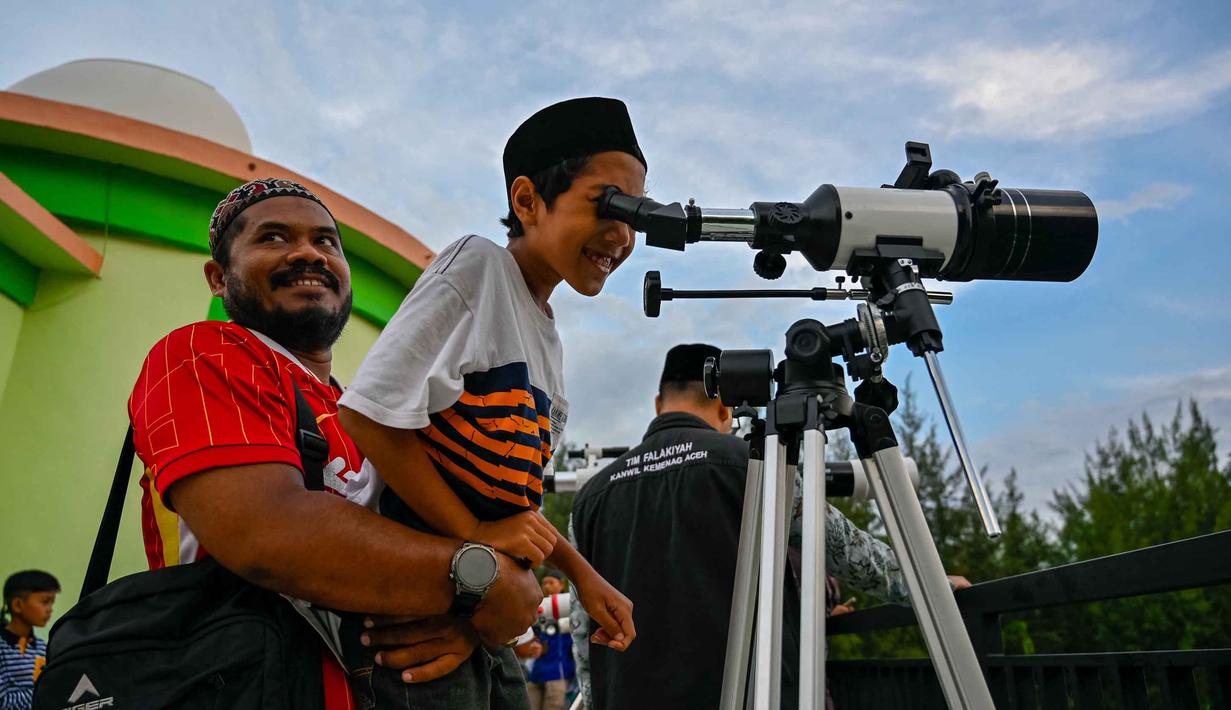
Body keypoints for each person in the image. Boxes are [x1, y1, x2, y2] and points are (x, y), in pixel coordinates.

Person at [126, 178, 543, 709]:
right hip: (258, 686)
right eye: (273, 238)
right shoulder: (201, 352)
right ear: (217, 276)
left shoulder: (367, 417)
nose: (307, 253)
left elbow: (410, 555)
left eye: (326, 242)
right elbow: (266, 533)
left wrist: (463, 626)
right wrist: (480, 580)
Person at [337, 96, 645, 708]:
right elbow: (368, 414)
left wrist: (584, 576)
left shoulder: (548, 342)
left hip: (476, 619)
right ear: (527, 201)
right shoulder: (478, 268)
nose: (623, 233)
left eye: (635, 215)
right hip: (411, 623)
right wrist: (475, 535)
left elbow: (515, 509)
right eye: (606, 203)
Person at [571, 344, 968, 710]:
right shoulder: (749, 465)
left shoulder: (591, 496)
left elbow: (581, 626)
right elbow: (844, 548)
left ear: (659, 403)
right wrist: (931, 585)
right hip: (748, 695)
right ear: (726, 408)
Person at [0, 571, 58, 710]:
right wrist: (44, 693)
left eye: (52, 603)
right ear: (17, 605)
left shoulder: (43, 648)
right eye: (44, 602)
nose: (50, 609)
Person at [526, 571, 575, 710]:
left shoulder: (570, 607)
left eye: (551, 582)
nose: (547, 586)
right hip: (536, 673)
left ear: (561, 585)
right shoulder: (539, 609)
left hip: (558, 674)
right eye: (544, 583)